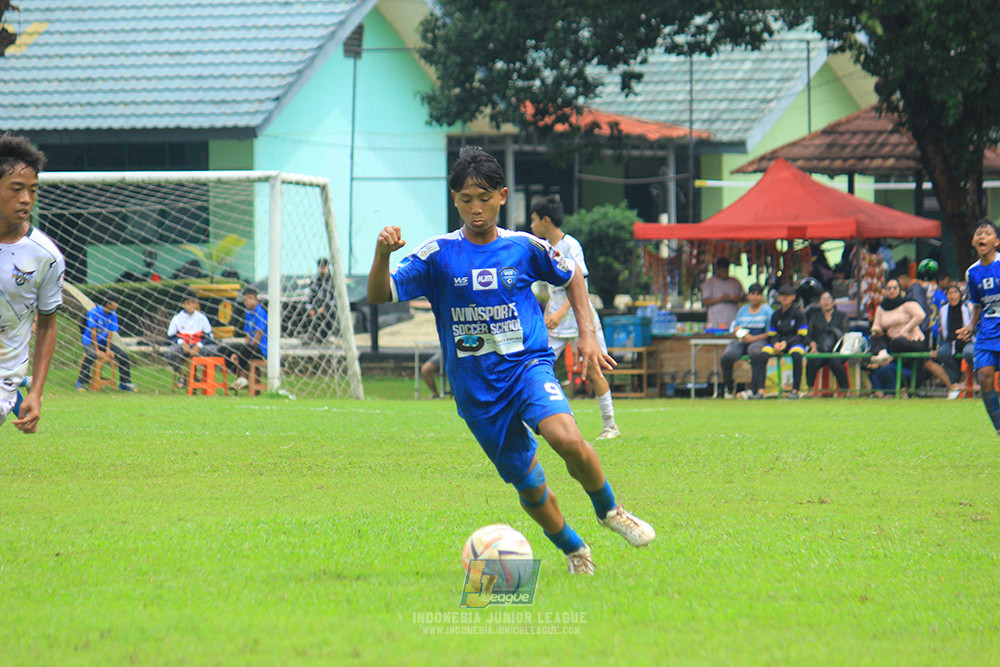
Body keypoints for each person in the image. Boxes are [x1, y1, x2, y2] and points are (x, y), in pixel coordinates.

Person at [367, 146, 654, 575]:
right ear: (455, 200)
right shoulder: (437, 254)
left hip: (527, 367)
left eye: (484, 198)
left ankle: (611, 512)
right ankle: (576, 551)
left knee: (567, 439)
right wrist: (382, 253)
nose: (475, 209)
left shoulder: (524, 247)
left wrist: (589, 336)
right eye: (466, 200)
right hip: (477, 390)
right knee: (531, 485)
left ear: (502, 196)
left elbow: (573, 274)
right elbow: (379, 293)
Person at [529, 194, 620, 440]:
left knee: (593, 370)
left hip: (580, 320)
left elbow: (580, 286)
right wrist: (550, 313)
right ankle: (552, 421)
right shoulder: (543, 249)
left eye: (534, 219)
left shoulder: (571, 246)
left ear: (545, 220)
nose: (531, 225)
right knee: (538, 367)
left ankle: (610, 425)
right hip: (556, 323)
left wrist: (559, 312)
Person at [0, 133, 65, 433]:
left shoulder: (46, 256)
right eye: (16, 189)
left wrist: (36, 392)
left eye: (32, 190)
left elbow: (47, 325)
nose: (26, 199)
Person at [868, 278, 952, 395]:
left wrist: (904, 331)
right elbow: (876, 325)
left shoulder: (907, 303)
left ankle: (952, 386)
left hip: (910, 340)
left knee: (900, 344)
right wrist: (876, 331)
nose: (892, 291)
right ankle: (883, 355)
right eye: (889, 288)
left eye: (894, 288)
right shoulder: (882, 307)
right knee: (873, 339)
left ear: (900, 290)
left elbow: (920, 315)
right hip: (892, 341)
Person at [957, 219, 1000, 435]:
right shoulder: (972, 273)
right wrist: (970, 326)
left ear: (997, 241)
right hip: (987, 331)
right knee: (984, 377)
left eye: (987, 233)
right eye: (979, 233)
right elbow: (977, 305)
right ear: (974, 241)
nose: (982, 236)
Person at [753, 284, 808, 399]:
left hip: (795, 343)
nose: (784, 298)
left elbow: (802, 334)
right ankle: (760, 390)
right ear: (778, 297)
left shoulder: (799, 313)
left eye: (787, 295)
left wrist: (786, 343)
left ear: (793, 297)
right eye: (782, 295)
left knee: (796, 355)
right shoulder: (776, 314)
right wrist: (775, 344)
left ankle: (795, 390)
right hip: (778, 343)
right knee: (762, 355)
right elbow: (772, 334)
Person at [720, 283, 772, 399]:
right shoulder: (742, 310)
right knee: (727, 357)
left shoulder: (767, 311)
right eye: (752, 294)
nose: (755, 297)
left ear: (762, 297)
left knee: (755, 353)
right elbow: (736, 328)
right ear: (749, 296)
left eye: (758, 294)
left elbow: (770, 332)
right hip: (743, 339)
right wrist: (739, 333)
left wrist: (753, 338)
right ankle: (729, 388)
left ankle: (754, 389)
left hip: (759, 338)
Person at [77, 291, 136, 392]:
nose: (117, 305)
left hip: (104, 343)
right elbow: (93, 332)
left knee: (123, 355)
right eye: (115, 303)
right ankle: (80, 382)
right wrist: (96, 350)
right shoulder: (94, 312)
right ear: (109, 304)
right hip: (90, 341)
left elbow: (110, 333)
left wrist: (108, 348)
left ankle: (124, 383)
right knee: (91, 354)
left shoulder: (113, 314)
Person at [165, 290, 218, 388]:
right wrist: (182, 343)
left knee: (214, 350)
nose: (191, 306)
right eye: (188, 303)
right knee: (170, 352)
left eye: (193, 303)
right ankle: (182, 375)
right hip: (183, 348)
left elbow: (209, 337)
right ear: (183, 304)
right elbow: (170, 337)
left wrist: (199, 346)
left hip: (198, 347)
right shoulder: (177, 318)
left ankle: (200, 377)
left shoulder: (202, 318)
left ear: (197, 304)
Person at [931, 283, 973, 399]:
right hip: (950, 341)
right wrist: (938, 345)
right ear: (947, 296)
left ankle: (974, 381)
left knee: (969, 353)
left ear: (960, 294)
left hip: (968, 340)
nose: (953, 296)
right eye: (950, 293)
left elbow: (975, 325)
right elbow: (940, 330)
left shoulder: (968, 307)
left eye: (955, 292)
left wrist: (968, 334)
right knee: (942, 353)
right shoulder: (943, 309)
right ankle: (956, 380)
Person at [805, 291, 850, 396]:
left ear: (834, 302)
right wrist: (812, 344)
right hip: (821, 349)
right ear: (820, 303)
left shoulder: (841, 316)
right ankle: (810, 389)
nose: (826, 302)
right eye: (823, 300)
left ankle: (845, 390)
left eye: (828, 299)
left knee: (835, 361)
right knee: (812, 361)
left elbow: (847, 334)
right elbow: (808, 336)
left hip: (838, 350)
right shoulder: (815, 317)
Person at [225, 287, 267, 390]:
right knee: (227, 349)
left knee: (244, 350)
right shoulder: (248, 313)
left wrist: (245, 348)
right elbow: (248, 335)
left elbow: (258, 335)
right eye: (245, 299)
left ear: (256, 299)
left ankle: (243, 377)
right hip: (251, 347)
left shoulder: (260, 312)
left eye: (250, 298)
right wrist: (242, 348)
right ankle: (241, 377)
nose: (247, 301)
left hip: (261, 348)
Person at [701, 257, 745, 330]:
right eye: (722, 271)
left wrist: (738, 298)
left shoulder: (735, 281)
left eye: (726, 271)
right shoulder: (709, 283)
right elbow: (705, 301)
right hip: (716, 320)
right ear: (717, 270)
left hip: (732, 319)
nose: (724, 274)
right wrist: (721, 299)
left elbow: (744, 297)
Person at [302, 258, 336, 343]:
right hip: (316, 306)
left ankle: (330, 334)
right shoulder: (314, 281)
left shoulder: (332, 281)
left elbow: (332, 298)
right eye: (321, 267)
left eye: (324, 267)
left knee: (332, 309)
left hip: (328, 306)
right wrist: (311, 308)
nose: (322, 269)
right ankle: (309, 334)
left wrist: (324, 307)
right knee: (303, 308)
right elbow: (310, 296)